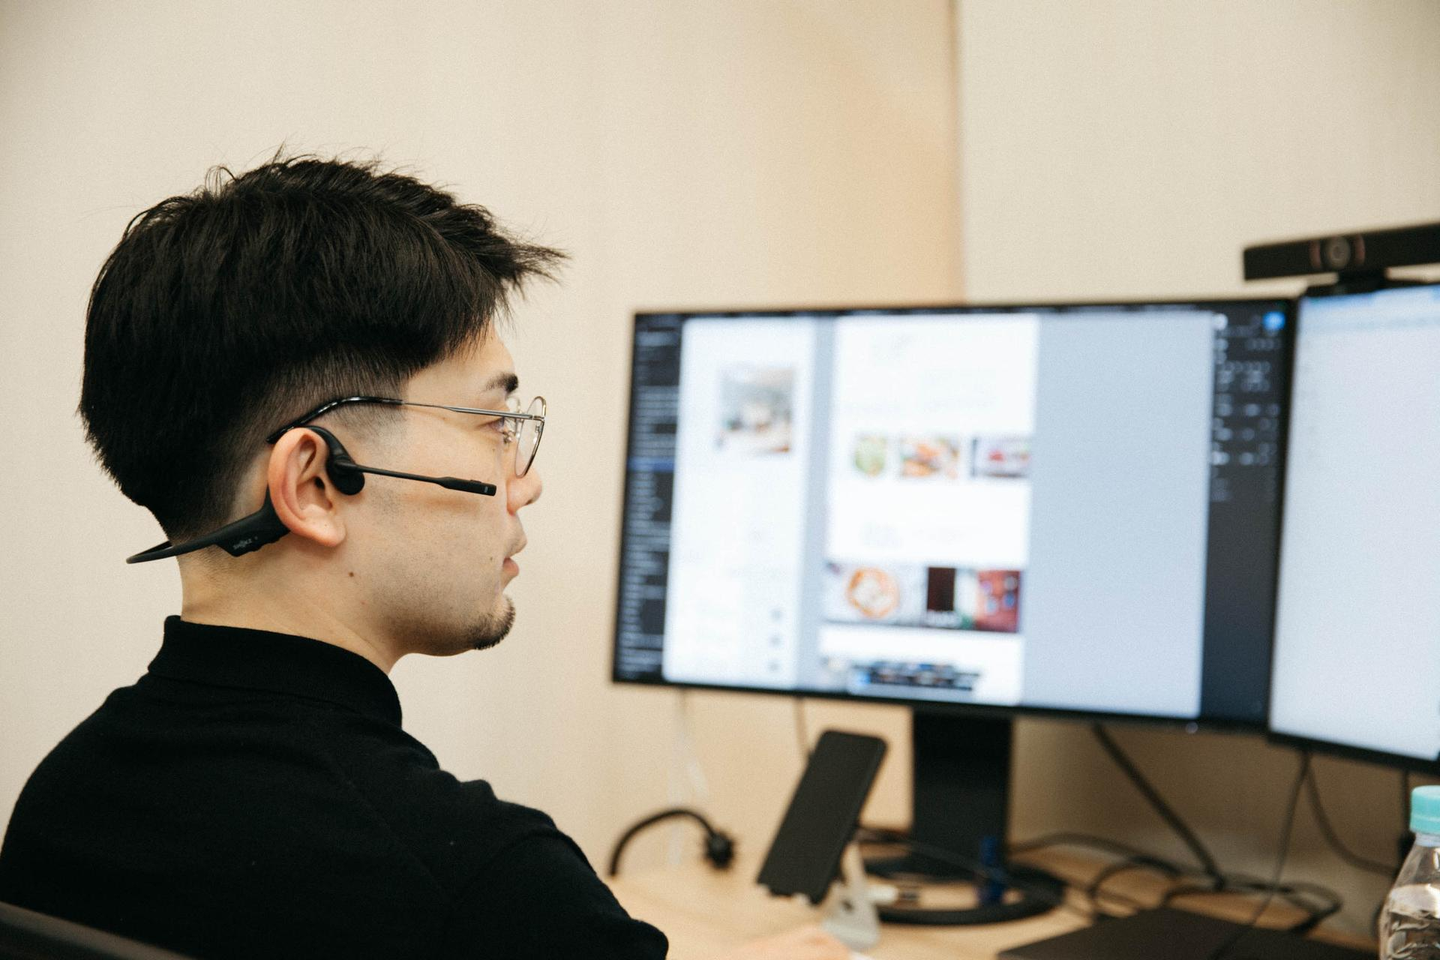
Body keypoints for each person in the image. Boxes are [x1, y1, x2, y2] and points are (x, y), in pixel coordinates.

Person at [0, 156, 849, 960]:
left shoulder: (62, 801)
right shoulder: (484, 886)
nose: (526, 481)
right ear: (315, 485)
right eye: (496, 424)